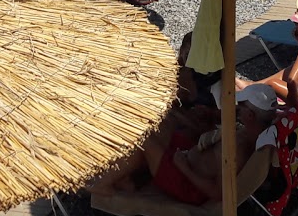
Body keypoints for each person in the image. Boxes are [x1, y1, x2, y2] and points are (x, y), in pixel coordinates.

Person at [94, 85, 278, 206]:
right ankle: (127, 177)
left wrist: (183, 167)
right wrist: (211, 120)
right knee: (164, 124)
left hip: (187, 184)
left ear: (251, 116)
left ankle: (103, 184)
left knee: (146, 140)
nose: (237, 108)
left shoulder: (238, 150)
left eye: (241, 106)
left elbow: (217, 193)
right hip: (189, 159)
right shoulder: (256, 132)